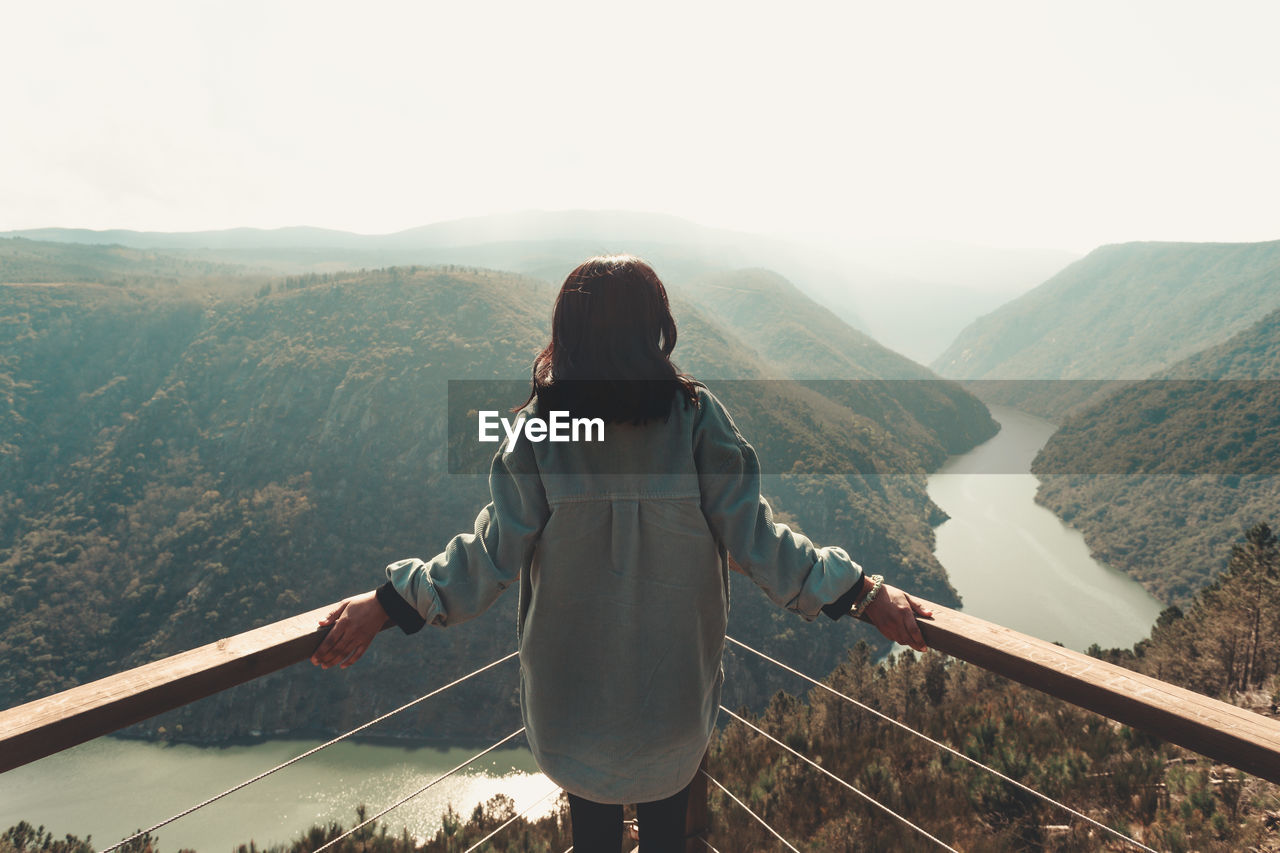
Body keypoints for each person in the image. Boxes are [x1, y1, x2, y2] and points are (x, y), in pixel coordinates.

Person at [311, 255, 933, 852]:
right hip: (672, 709)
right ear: (654, 331)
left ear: (569, 335)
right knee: (668, 830)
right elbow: (760, 545)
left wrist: (390, 602)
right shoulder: (695, 420)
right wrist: (861, 593)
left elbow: (488, 560)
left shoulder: (541, 430)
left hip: (573, 707)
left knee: (594, 829)